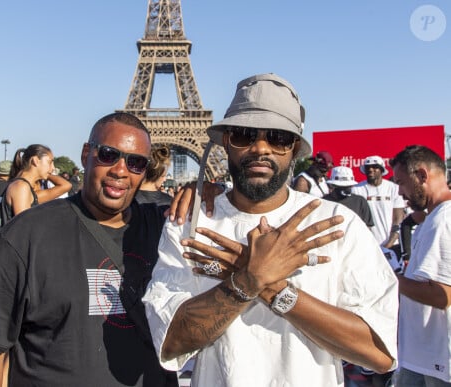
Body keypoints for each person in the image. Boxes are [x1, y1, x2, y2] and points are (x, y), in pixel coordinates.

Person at [143, 73, 399, 386]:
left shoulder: (339, 223)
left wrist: (269, 285)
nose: (260, 148)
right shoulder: (191, 220)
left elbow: (379, 353)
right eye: (244, 134)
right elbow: (171, 344)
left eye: (278, 138)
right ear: (226, 142)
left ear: (294, 148)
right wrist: (248, 280)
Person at [0, 112, 178, 386]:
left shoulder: (167, 229)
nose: (121, 170)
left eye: (136, 163)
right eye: (109, 155)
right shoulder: (26, 234)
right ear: (86, 154)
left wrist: (207, 196)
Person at [390, 145, 451, 386]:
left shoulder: (443, 221)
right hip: (423, 354)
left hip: (439, 356)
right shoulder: (433, 217)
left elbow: (442, 295)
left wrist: (390, 277)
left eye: (402, 182)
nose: (399, 192)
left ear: (422, 176)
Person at [0, 144, 72, 227]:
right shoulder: (21, 187)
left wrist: (46, 173)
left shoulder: (25, 188)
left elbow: (66, 186)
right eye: (50, 162)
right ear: (35, 160)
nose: (53, 168)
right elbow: (24, 228)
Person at [351, 155, 405, 253]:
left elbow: (398, 218)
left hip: (392, 245)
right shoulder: (356, 189)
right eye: (368, 167)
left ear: (381, 170)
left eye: (375, 167)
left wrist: (390, 243)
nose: (371, 170)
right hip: (367, 246)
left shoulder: (394, 188)